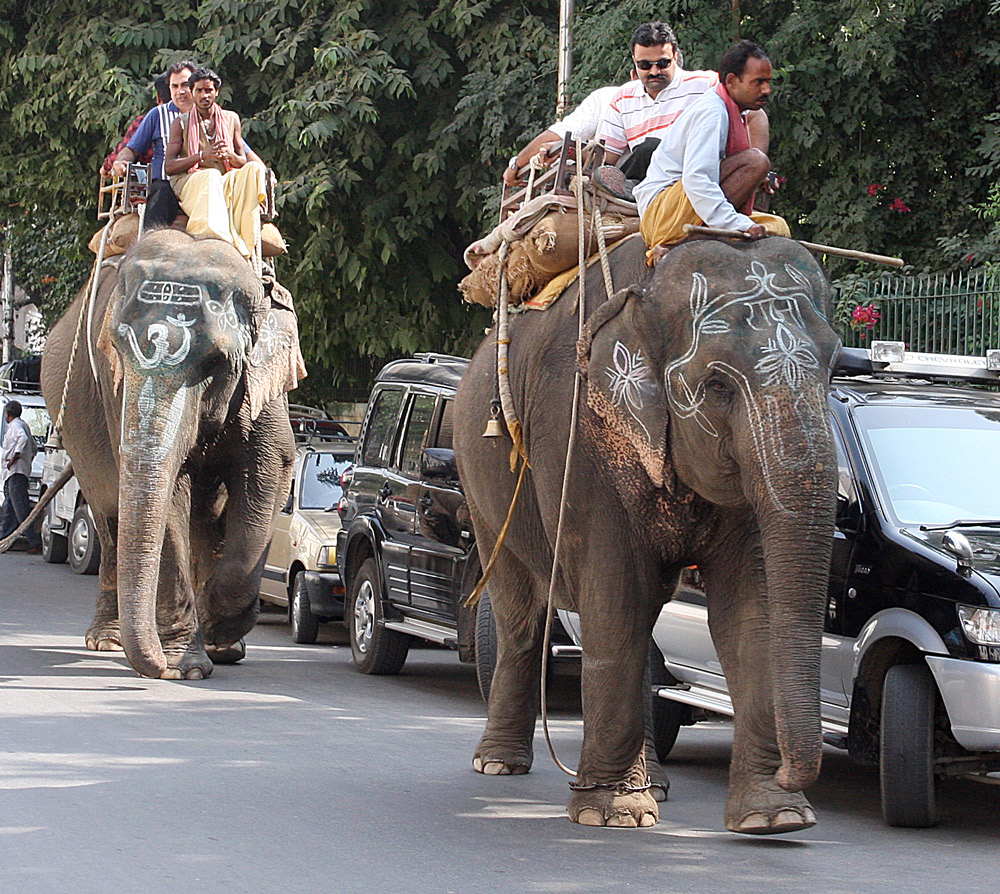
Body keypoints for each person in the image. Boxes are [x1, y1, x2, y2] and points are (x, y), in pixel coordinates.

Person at [634, 39, 791, 259]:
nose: (767, 89)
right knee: (756, 162)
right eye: (758, 82)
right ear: (732, 81)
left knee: (778, 226)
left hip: (687, 207)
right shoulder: (713, 112)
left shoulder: (735, 111)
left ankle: (710, 233)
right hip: (664, 215)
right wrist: (736, 224)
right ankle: (682, 244)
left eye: (767, 82)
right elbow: (697, 178)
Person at [595, 22, 723, 180]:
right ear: (634, 62)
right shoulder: (623, 98)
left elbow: (752, 114)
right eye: (644, 65)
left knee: (653, 148)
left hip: (691, 176)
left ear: (675, 57)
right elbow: (607, 156)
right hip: (642, 184)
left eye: (663, 63)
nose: (654, 71)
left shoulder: (706, 84)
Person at [164, 67, 267, 260]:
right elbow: (169, 167)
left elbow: (242, 160)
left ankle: (245, 240)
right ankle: (213, 237)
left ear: (216, 92)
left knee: (253, 169)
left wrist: (230, 156)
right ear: (193, 94)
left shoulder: (231, 118)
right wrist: (202, 156)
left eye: (208, 90)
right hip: (191, 182)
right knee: (210, 175)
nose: (204, 95)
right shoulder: (180, 123)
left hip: (223, 180)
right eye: (199, 91)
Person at [502, 83, 625, 189]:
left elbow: (558, 136)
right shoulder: (613, 99)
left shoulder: (608, 97)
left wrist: (515, 166)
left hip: (606, 181)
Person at [100, 72, 167, 176]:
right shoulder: (196, 118)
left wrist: (106, 166)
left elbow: (126, 148)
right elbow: (129, 149)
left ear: (158, 97)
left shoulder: (145, 121)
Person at [1, 401, 41, 553]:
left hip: (16, 473)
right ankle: (4, 538)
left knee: (20, 508)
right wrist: (27, 461)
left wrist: (15, 458)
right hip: (13, 474)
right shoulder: (22, 425)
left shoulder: (16, 427)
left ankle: (34, 542)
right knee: (9, 508)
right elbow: (34, 448)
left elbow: (23, 439)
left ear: (8, 414)